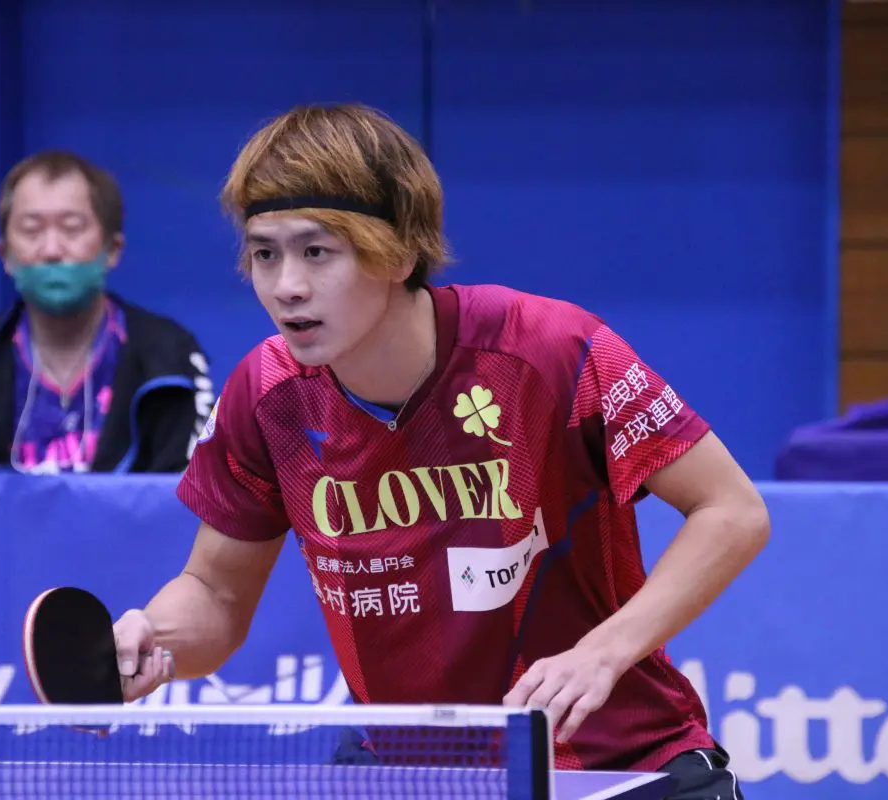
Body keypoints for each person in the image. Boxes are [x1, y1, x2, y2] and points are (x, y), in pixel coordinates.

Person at [111, 105, 768, 799]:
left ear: (398, 252)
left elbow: (732, 511)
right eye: (265, 253)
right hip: (414, 773)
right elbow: (217, 593)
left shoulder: (551, 350)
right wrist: (152, 637)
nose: (285, 286)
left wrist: (604, 652)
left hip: (620, 763)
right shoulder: (267, 394)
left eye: (317, 252)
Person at [0, 150, 213, 475]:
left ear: (113, 249)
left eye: (71, 228)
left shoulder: (170, 357)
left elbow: (189, 492)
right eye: (32, 230)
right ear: (5, 255)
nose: (52, 250)